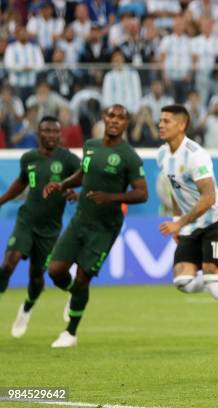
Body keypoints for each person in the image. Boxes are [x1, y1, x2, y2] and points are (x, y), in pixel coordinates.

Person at [42, 104, 148, 348]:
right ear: (104, 118)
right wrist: (62, 185)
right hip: (81, 219)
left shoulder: (129, 156)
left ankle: (70, 333)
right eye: (111, 115)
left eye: (121, 117)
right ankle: (73, 294)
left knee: (82, 278)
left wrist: (110, 197)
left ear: (126, 123)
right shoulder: (91, 146)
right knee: (55, 270)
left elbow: (142, 194)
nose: (114, 120)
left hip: (105, 227)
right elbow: (83, 173)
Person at [156, 104, 218, 348]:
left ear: (181, 125)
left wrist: (179, 222)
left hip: (215, 220)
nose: (161, 125)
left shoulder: (195, 154)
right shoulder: (161, 155)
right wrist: (179, 224)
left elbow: (208, 198)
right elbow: (176, 191)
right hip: (191, 223)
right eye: (161, 120)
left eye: (167, 121)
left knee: (211, 277)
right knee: (183, 282)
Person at [0, 116, 80, 338]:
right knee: (8, 263)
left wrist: (72, 193)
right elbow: (21, 183)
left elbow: (82, 179)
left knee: (36, 276)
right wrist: (2, 199)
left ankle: (26, 308)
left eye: (56, 132)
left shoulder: (68, 160)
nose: (52, 135)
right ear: (39, 134)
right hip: (26, 221)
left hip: (50, 229)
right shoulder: (29, 158)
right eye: (47, 131)